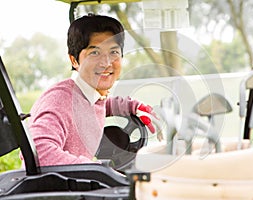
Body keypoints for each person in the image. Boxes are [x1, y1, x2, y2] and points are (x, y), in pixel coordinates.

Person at [23, 14, 158, 166]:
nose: (106, 63)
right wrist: (98, 170)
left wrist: (131, 106)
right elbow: (38, 154)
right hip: (54, 188)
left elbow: (93, 106)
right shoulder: (59, 101)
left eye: (113, 52)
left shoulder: (88, 96)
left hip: (76, 184)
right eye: (94, 53)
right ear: (74, 60)